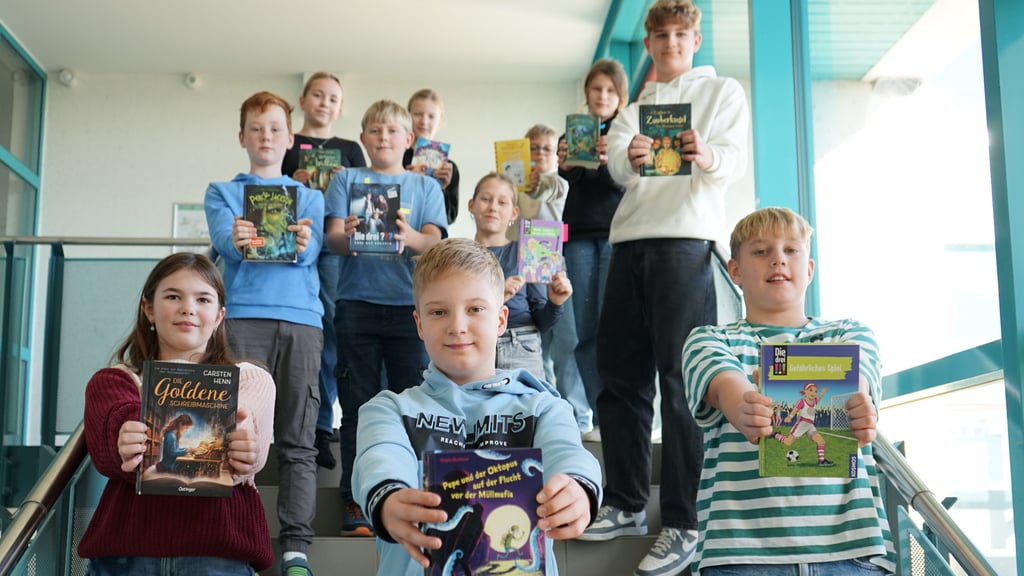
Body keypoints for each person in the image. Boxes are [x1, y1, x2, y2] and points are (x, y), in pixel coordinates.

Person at [580, 2, 750, 576]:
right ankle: (627, 502)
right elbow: (621, 173)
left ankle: (684, 523)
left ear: (695, 39)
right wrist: (628, 159)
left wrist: (705, 153)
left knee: (683, 384)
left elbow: (730, 162)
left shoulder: (723, 92)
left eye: (681, 34)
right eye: (661, 35)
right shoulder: (633, 107)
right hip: (628, 245)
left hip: (686, 245)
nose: (671, 42)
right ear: (649, 44)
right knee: (618, 377)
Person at [350, 237, 602, 576]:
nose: (457, 326)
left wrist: (578, 487)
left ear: (500, 320)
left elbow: (568, 453)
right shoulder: (388, 410)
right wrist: (389, 498)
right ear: (420, 324)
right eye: (439, 312)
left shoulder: (544, 408)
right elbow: (380, 458)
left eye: (475, 309)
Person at [681, 207, 896, 574]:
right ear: (735, 271)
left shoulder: (848, 333)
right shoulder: (709, 339)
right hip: (741, 554)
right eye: (761, 251)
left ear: (809, 270)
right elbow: (724, 385)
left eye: (791, 251)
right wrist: (744, 407)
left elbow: (858, 378)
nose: (778, 259)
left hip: (851, 550)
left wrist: (859, 405)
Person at [79, 252, 276, 575]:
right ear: (148, 309)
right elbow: (109, 450)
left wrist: (244, 448)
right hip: (124, 560)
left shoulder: (251, 379)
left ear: (219, 316)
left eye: (203, 299)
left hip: (220, 558)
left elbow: (246, 454)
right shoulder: (114, 381)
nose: (188, 308)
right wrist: (124, 439)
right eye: (173, 296)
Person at [205, 91, 324, 575]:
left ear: (290, 138)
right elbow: (220, 244)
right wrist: (234, 241)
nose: (266, 137)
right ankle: (231, 539)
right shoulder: (223, 192)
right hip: (241, 318)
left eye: (275, 128)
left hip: (302, 321)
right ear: (242, 137)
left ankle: (295, 549)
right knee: (228, 432)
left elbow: (314, 252)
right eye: (256, 128)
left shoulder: (312, 197)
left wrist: (303, 241)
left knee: (298, 439)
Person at [324, 99, 448, 537]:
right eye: (375, 132)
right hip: (356, 304)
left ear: (409, 139)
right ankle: (357, 502)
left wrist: (408, 237)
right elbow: (333, 239)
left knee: (414, 406)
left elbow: (434, 243)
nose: (384, 139)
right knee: (357, 405)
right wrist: (351, 236)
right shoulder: (346, 178)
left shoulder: (425, 187)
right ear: (362, 139)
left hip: (409, 309)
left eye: (393, 132)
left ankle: (417, 494)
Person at [281, 72, 367, 472]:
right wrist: (290, 182)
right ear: (302, 99)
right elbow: (267, 196)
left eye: (333, 98)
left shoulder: (349, 149)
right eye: (318, 95)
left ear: (340, 107)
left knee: (330, 333)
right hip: (291, 249)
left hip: (332, 250)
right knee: (293, 336)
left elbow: (368, 201)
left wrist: (343, 188)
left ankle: (320, 426)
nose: (325, 103)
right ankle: (286, 425)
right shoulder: (286, 143)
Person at [556, 58, 629, 443]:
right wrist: (568, 164)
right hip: (579, 235)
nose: (602, 96)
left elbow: (627, 183)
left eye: (610, 90)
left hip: (618, 234)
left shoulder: (627, 132)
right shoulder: (572, 133)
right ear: (586, 92)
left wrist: (609, 160)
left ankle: (622, 411)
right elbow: (573, 177)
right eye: (596, 89)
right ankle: (599, 415)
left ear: (621, 96)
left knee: (612, 328)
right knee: (583, 330)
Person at [469, 172, 572, 379]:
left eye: (502, 202)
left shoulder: (528, 254)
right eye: (486, 199)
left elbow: (543, 323)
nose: (493, 208)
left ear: (514, 213)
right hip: (473, 348)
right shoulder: (458, 256)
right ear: (471, 205)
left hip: (522, 348)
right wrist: (497, 297)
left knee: (529, 412)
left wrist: (555, 302)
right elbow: (454, 313)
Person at [403, 88, 460, 225]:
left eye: (431, 116)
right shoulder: (395, 157)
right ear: (407, 117)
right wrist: (407, 181)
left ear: (439, 121)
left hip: (432, 241)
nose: (424, 121)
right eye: (417, 114)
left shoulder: (448, 169)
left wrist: (441, 189)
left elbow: (449, 218)